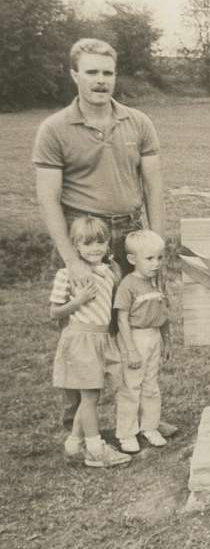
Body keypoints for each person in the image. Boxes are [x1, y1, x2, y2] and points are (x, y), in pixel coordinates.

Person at [33, 38, 166, 435]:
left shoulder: (138, 122)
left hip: (130, 231)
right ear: (75, 75)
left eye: (107, 72)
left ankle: (140, 415)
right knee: (83, 330)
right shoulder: (54, 128)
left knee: (137, 322)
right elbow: (48, 198)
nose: (100, 80)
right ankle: (77, 425)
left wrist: (154, 244)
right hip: (85, 234)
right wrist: (73, 261)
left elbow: (154, 187)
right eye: (91, 72)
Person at [49, 216, 132, 467]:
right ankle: (96, 449)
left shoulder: (109, 272)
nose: (95, 248)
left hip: (102, 338)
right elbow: (54, 312)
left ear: (108, 244)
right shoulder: (67, 274)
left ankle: (74, 442)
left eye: (100, 243)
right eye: (87, 244)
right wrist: (78, 300)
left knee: (92, 395)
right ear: (76, 246)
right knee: (90, 395)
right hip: (81, 339)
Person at [114, 229, 171, 454]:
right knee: (131, 387)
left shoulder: (157, 283)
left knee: (151, 384)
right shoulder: (128, 285)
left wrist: (167, 341)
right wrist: (131, 350)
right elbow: (121, 319)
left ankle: (149, 427)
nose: (156, 263)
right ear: (132, 260)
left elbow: (163, 314)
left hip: (154, 336)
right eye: (149, 259)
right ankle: (126, 433)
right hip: (135, 337)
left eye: (160, 258)